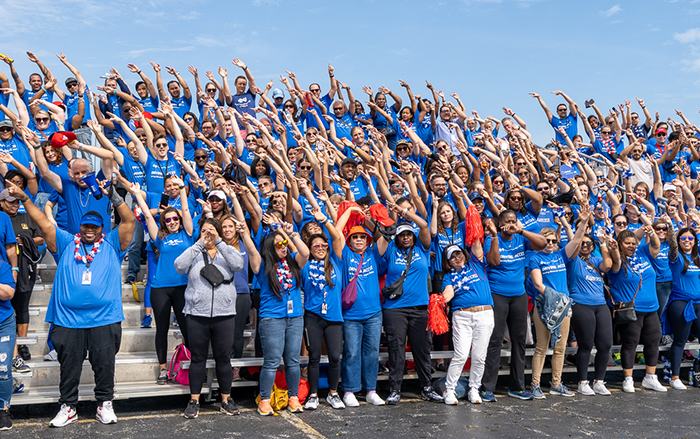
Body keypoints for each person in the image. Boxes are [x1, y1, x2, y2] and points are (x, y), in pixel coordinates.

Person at [7, 179, 134, 426]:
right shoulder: (66, 243)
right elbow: (43, 223)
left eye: (95, 227)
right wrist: (24, 198)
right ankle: (68, 407)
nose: (90, 230)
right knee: (69, 366)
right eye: (86, 226)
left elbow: (129, 221)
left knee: (105, 364)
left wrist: (115, 197)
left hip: (105, 318)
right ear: (80, 227)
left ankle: (104, 404)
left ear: (102, 229)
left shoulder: (111, 243)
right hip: (68, 319)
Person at [174, 218, 245, 418]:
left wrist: (220, 242)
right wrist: (199, 244)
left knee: (224, 358)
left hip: (224, 313)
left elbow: (239, 264)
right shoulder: (195, 251)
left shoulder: (227, 250)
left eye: (212, 230)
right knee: (198, 358)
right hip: (197, 313)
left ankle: (225, 399)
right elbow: (179, 266)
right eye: (204, 231)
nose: (208, 234)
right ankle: (194, 400)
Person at [130, 178, 194, 384]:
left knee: (187, 328)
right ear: (164, 223)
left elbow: (185, 209)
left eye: (175, 219)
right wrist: (138, 195)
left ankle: (190, 364)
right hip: (161, 288)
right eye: (168, 220)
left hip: (183, 287)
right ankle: (163, 369)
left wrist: (182, 189)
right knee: (162, 329)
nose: (173, 221)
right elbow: (148, 214)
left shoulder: (189, 234)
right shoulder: (160, 237)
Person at [377, 209, 443, 404]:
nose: (406, 238)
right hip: (394, 308)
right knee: (396, 349)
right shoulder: (391, 249)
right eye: (402, 235)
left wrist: (406, 214)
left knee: (421, 349)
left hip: (419, 307)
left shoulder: (422, 248)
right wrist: (388, 229)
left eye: (408, 234)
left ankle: (427, 387)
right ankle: (395, 389)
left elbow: (424, 226)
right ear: (397, 238)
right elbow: (379, 246)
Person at [481, 210, 546, 402]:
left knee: (519, 341)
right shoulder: (491, 239)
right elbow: (494, 261)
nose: (510, 224)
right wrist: (494, 236)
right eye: (506, 221)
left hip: (519, 295)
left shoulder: (521, 238)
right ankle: (487, 387)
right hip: (497, 295)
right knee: (495, 341)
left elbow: (542, 243)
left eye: (513, 221)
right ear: (499, 223)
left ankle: (517, 387)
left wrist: (521, 231)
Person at [528, 206, 589, 399]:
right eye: (547, 241)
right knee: (542, 347)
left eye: (554, 241)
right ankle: (535, 385)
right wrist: (558, 299)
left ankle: (556, 384)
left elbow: (577, 240)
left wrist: (584, 221)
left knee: (560, 348)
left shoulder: (561, 255)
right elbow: (538, 284)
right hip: (545, 305)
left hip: (564, 306)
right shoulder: (535, 259)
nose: (551, 244)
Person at [250, 225, 309, 416]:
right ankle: (265, 400)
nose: (284, 247)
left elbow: (305, 252)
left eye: (285, 244)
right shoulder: (263, 265)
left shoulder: (292, 262)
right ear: (270, 247)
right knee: (272, 361)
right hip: (271, 318)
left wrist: (290, 235)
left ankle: (293, 398)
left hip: (295, 317)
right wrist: (244, 232)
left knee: (293, 361)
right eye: (279, 245)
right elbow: (251, 251)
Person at [440, 220, 498, 405]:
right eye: (452, 257)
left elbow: (476, 244)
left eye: (459, 254)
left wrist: (474, 216)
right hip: (462, 316)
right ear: (448, 261)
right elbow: (448, 292)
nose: (457, 258)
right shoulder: (448, 277)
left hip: (484, 314)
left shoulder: (476, 264)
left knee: (480, 356)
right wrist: (440, 300)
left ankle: (474, 388)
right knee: (461, 355)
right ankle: (449, 390)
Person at [604, 228, 667, 393]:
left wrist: (648, 227)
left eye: (633, 243)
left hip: (652, 307)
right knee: (630, 343)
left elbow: (655, 243)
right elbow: (616, 256)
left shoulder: (642, 253)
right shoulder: (617, 261)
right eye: (627, 243)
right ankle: (628, 379)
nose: (631, 246)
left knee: (653, 342)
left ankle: (650, 377)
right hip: (631, 309)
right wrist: (614, 247)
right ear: (620, 244)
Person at [301, 209, 346, 410]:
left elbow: (337, 236)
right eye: (315, 245)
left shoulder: (336, 261)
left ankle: (333, 393)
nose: (320, 248)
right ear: (309, 248)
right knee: (314, 357)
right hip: (313, 315)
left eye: (323, 245)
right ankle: (312, 395)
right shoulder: (305, 265)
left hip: (334, 316)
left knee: (335, 356)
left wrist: (325, 220)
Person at [567, 233, 614, 396]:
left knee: (605, 344)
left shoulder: (595, 260)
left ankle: (599, 382)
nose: (585, 245)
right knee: (586, 344)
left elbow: (607, 265)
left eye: (588, 243)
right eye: (582, 243)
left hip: (600, 304)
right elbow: (574, 248)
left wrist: (602, 244)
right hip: (581, 303)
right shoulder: (574, 261)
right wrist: (576, 239)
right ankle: (582, 382)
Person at [664, 226, 700, 390]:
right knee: (680, 340)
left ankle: (695, 372)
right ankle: (675, 377)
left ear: (695, 241)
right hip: (680, 302)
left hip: (698, 302)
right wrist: (671, 229)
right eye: (683, 238)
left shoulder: (698, 258)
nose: (687, 240)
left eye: (690, 238)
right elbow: (672, 246)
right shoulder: (677, 257)